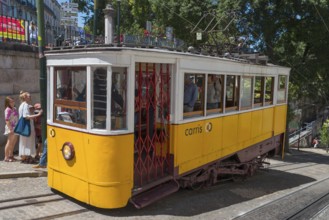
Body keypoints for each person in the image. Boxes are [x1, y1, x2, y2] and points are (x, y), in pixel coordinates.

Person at [18, 91, 43, 164]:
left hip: (24, 126)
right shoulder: (25, 105)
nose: (30, 97)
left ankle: (25, 157)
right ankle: (27, 157)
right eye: (29, 96)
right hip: (27, 125)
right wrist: (38, 114)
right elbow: (26, 116)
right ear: (25, 97)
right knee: (28, 141)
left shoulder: (22, 105)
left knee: (24, 142)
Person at [3, 97, 19, 162]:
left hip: (15, 127)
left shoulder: (14, 108)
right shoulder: (8, 110)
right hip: (11, 127)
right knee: (9, 142)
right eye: (11, 102)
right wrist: (10, 128)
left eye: (13, 101)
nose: (12, 103)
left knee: (14, 142)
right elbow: (7, 120)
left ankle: (11, 155)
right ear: (8, 103)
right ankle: (6, 157)